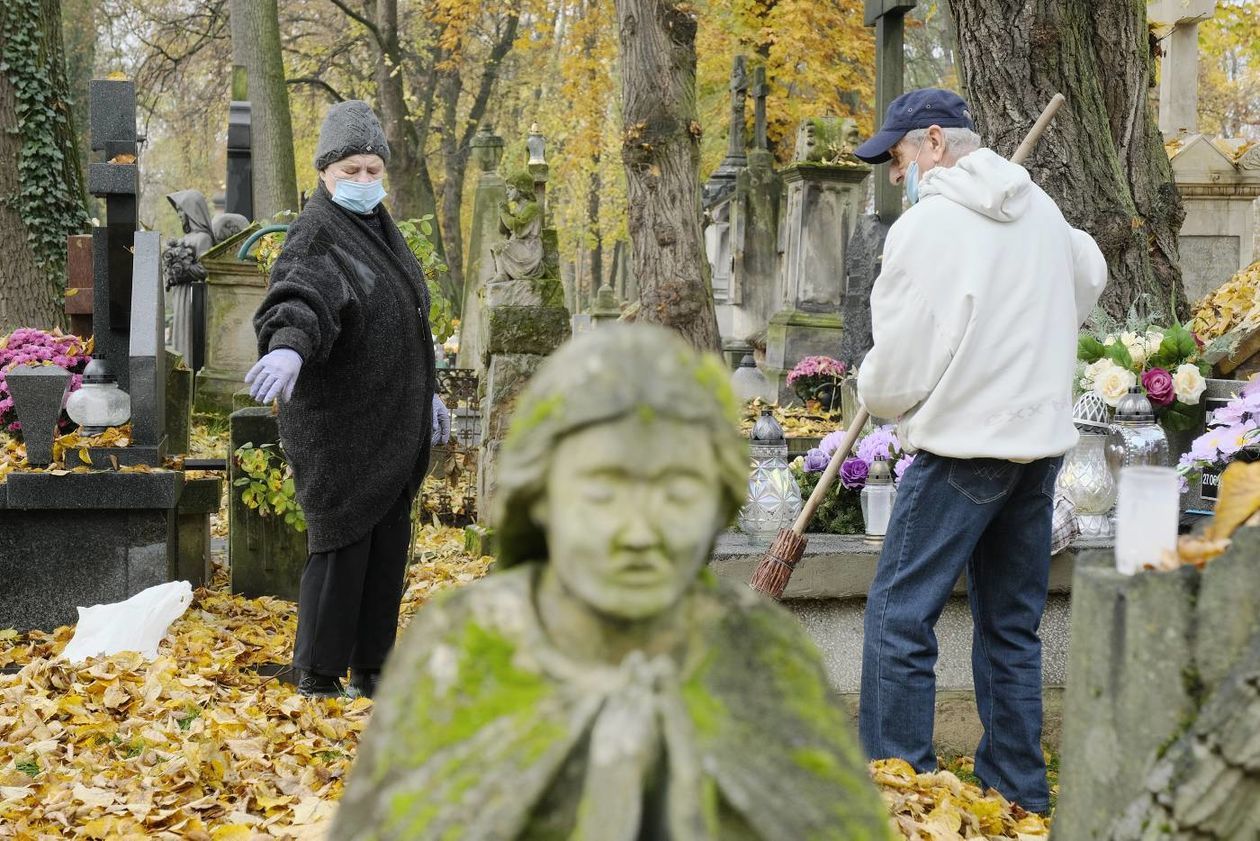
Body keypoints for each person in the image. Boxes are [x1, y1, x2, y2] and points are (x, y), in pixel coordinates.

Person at [328, 325, 894, 841]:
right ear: (543, 498)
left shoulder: (761, 652)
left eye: (677, 493)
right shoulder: (466, 646)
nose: (639, 531)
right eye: (602, 492)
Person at [852, 88, 1108, 813]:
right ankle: (1020, 793)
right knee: (1010, 624)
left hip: (964, 448)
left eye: (898, 157)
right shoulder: (1040, 207)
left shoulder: (930, 226)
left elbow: (898, 365)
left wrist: (875, 392)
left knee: (900, 616)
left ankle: (901, 793)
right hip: (1037, 446)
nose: (897, 175)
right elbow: (1090, 273)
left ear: (933, 142)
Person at [249, 100, 445, 700]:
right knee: (342, 546)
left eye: (371, 170)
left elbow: (410, 315)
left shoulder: (379, 228)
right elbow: (302, 296)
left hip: (389, 417)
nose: (363, 182)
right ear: (324, 173)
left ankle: (373, 667)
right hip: (341, 423)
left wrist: (429, 393)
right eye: (350, 171)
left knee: (385, 550)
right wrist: (288, 346)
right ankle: (318, 670)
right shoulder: (317, 232)